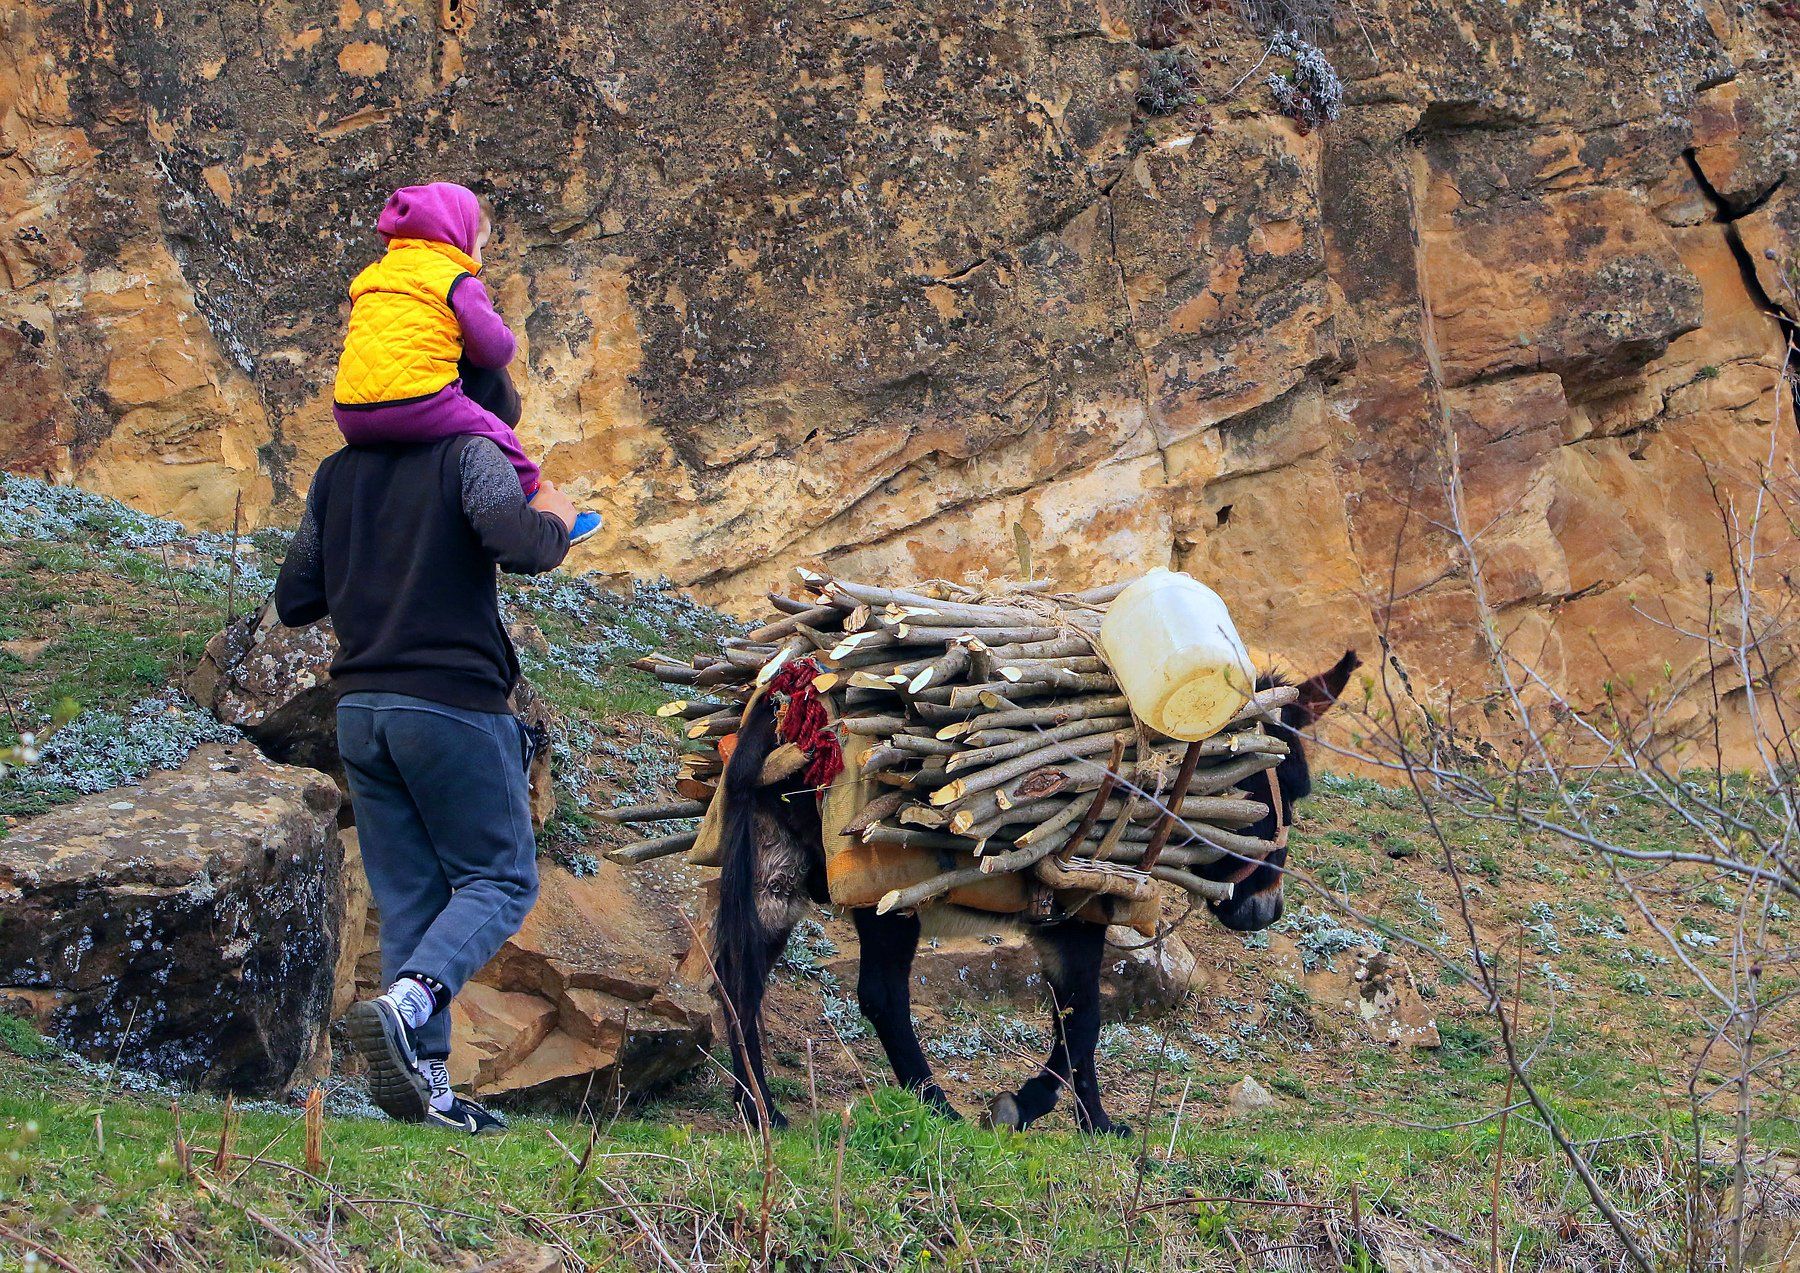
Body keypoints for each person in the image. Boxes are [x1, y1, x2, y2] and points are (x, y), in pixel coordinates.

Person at [274, 416, 578, 1133]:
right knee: (501, 880)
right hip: (452, 707)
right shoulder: (470, 454)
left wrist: (378, 558)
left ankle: (431, 1092)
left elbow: (295, 597)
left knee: (411, 896)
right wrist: (558, 516)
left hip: (362, 712)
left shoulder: (336, 472)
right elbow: (522, 546)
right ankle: (408, 1005)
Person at [331, 180, 602, 544]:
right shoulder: (455, 279)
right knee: (499, 435)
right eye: (479, 246)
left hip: (350, 414)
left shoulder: (371, 277)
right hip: (419, 403)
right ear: (455, 235)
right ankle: (539, 506)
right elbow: (494, 351)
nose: (480, 260)